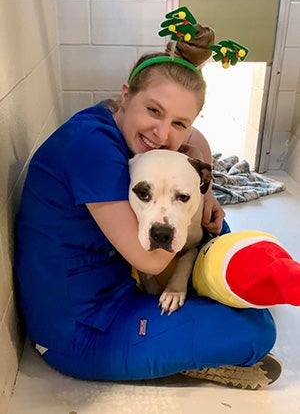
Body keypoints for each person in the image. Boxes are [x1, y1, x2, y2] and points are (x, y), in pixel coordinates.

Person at [14, 22, 281, 389]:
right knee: (256, 331)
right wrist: (195, 199)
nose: (162, 134)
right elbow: (154, 259)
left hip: (116, 288)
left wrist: (204, 191)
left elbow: (196, 141)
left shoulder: (113, 121)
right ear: (126, 95)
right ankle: (182, 351)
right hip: (79, 331)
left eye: (178, 123)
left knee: (214, 229)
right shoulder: (92, 149)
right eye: (154, 110)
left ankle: (186, 324)